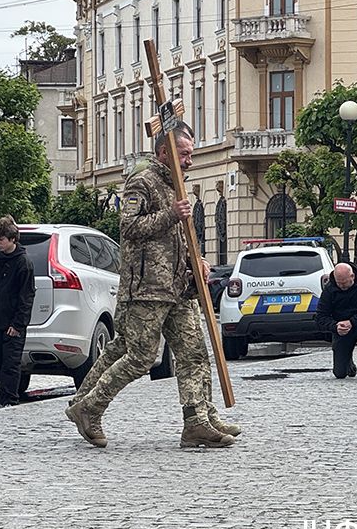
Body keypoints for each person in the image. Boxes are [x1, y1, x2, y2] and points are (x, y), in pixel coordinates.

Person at [66, 122, 238, 449]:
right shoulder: (142, 182)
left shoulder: (178, 184)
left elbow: (179, 238)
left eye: (190, 154)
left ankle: (198, 420)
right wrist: (171, 215)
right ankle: (89, 407)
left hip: (178, 286)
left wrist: (195, 260)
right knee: (140, 357)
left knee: (194, 354)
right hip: (147, 287)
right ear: (165, 153)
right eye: (185, 154)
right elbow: (129, 227)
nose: (190, 160)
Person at [0, 216, 35, 409]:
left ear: (12, 239)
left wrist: (18, 323)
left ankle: (10, 400)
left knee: (11, 364)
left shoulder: (23, 262)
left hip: (14, 323)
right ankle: (2, 398)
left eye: (1, 239)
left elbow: (26, 296)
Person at [315, 262, 357, 380]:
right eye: (338, 283)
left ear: (352, 276)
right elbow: (321, 317)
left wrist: (352, 321)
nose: (341, 286)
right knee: (340, 373)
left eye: (344, 283)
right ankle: (348, 361)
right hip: (343, 328)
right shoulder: (330, 288)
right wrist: (335, 326)